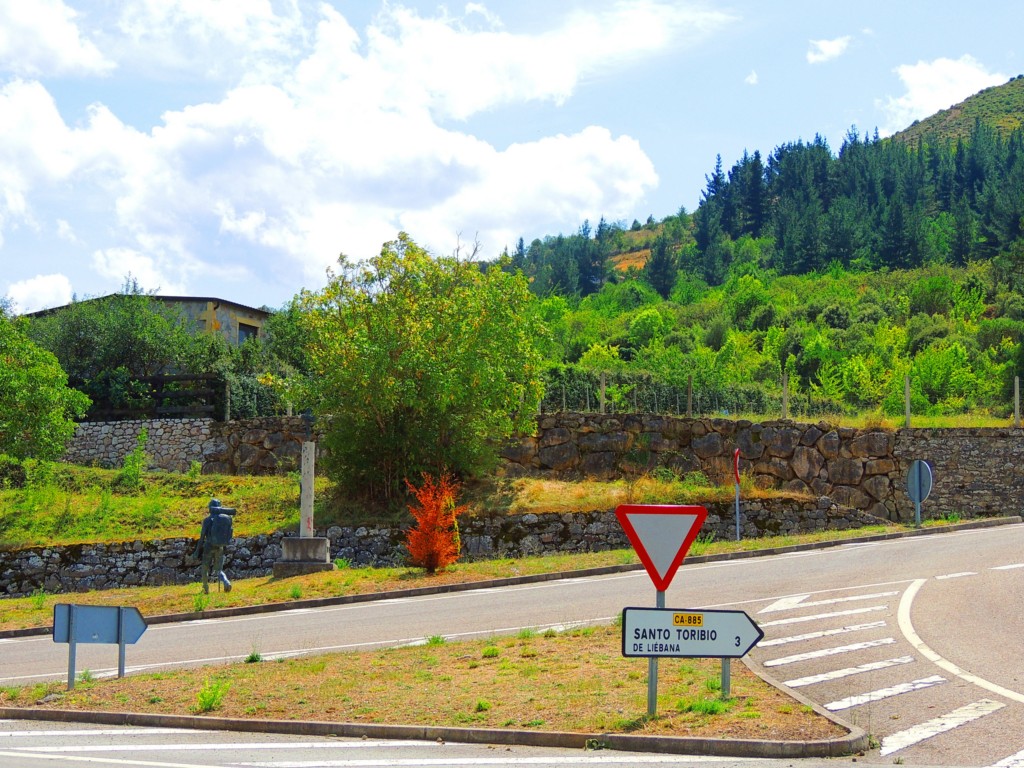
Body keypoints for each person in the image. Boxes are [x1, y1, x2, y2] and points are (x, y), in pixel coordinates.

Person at [193, 498, 236, 593]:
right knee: (219, 570)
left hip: (209, 546)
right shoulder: (226, 519)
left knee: (205, 568)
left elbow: (202, 537)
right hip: (220, 546)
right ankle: (226, 582)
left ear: (210, 508)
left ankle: (205, 588)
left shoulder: (207, 520)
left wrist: (196, 551)